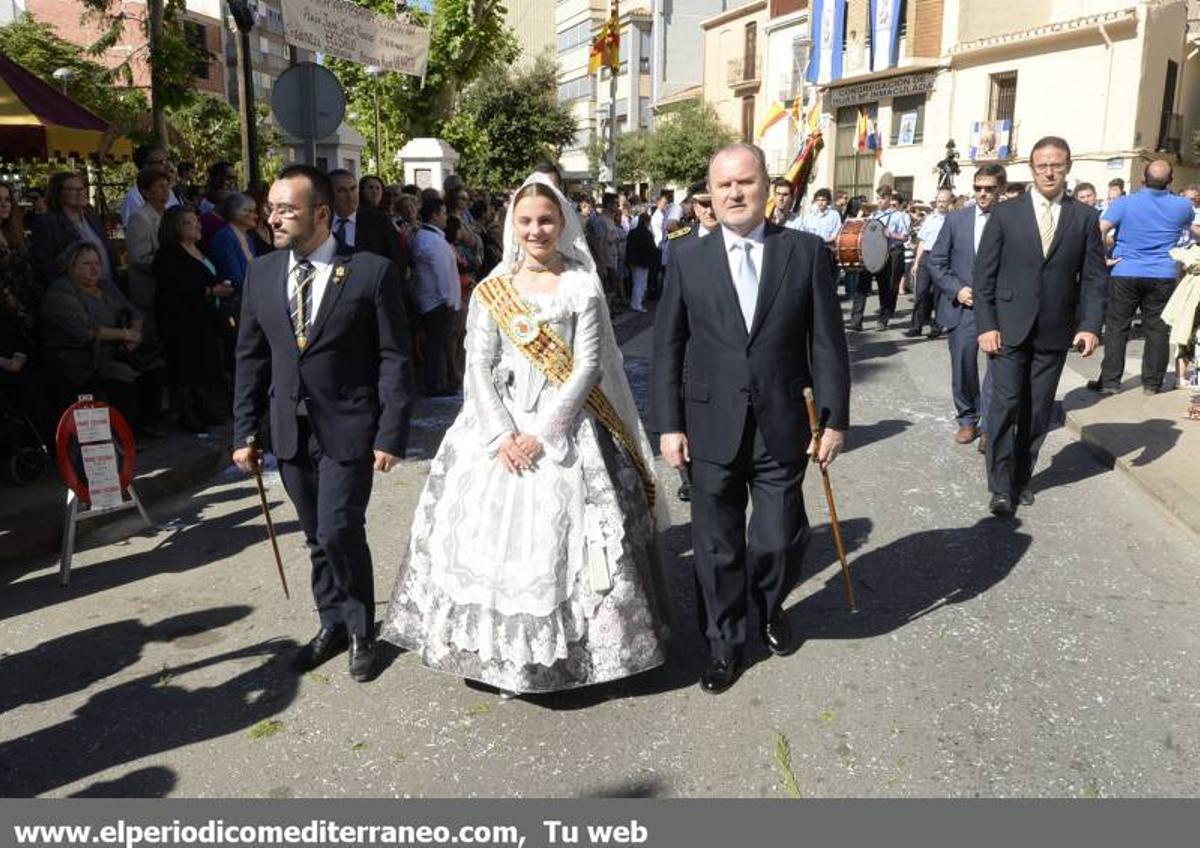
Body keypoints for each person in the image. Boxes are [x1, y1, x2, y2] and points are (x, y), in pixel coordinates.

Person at [380, 173, 668, 696]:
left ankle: (573, 657)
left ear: (562, 224)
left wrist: (543, 432)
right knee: (483, 544)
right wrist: (502, 434)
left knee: (568, 546)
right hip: (498, 427)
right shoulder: (495, 287)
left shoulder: (581, 284)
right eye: (526, 221)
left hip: (563, 425)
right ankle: (495, 656)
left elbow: (588, 366)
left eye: (546, 221)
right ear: (513, 225)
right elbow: (477, 364)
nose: (536, 230)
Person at [652, 142, 850, 694]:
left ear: (767, 187)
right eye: (724, 185)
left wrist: (834, 420)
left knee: (779, 538)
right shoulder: (687, 257)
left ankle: (766, 606)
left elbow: (828, 344)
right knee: (715, 545)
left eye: (745, 182)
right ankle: (723, 641)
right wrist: (668, 424)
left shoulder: (805, 253)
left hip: (783, 423)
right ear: (710, 195)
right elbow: (668, 347)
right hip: (709, 424)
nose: (735, 193)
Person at [232, 164, 414, 682]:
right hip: (289, 429)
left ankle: (360, 629)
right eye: (270, 208)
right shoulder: (262, 273)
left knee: (339, 528)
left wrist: (391, 431)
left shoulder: (370, 272)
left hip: (348, 426)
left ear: (321, 214)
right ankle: (331, 622)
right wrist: (245, 431)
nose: (273, 219)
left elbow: (394, 357)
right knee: (316, 534)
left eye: (286, 210)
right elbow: (250, 357)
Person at [974, 136, 1106, 516]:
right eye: (1042, 165)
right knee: (1005, 405)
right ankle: (1000, 487)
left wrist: (1090, 325)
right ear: (1032, 169)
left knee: (1037, 411)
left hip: (1054, 329)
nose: (1049, 172)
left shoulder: (1085, 217)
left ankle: (1021, 477)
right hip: (1007, 328)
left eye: (1056, 165)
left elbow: (1094, 278)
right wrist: (986, 324)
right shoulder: (1005, 213)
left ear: (1068, 168)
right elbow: (984, 275)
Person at [1086, 161, 1198, 396]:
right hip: (1163, 273)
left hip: (1125, 271)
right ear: (1171, 180)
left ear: (1143, 179)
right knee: (1158, 329)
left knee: (1117, 328)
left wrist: (1103, 257)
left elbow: (1099, 229)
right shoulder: (1183, 206)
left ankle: (1110, 382)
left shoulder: (1124, 203)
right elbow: (1193, 229)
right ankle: (1152, 384)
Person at [40, 242, 163, 435]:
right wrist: (125, 334)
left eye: (97, 263)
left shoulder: (106, 286)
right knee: (122, 375)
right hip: (82, 359)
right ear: (71, 266)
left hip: (118, 350)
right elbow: (86, 331)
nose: (94, 268)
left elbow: (135, 313)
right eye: (87, 264)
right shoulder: (61, 293)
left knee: (155, 365)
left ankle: (146, 424)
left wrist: (134, 334)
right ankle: (123, 433)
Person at [926, 165, 1006, 450]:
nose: (983, 194)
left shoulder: (1012, 220)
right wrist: (957, 290)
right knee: (963, 364)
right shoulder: (956, 220)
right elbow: (936, 261)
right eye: (978, 188)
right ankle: (968, 419)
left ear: (1000, 189)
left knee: (998, 369)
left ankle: (991, 427)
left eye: (989, 189)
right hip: (964, 307)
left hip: (1000, 309)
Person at [154, 208, 230, 432]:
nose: (197, 225)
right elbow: (174, 289)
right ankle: (187, 414)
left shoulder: (200, 249)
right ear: (176, 227)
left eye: (197, 221)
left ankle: (203, 407)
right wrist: (210, 291)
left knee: (204, 363)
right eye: (190, 222)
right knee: (185, 367)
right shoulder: (168, 255)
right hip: (181, 320)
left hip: (205, 318)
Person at [409, 196, 461, 396]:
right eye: (444, 213)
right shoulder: (431, 240)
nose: (446, 218)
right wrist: (448, 299)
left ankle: (439, 382)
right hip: (436, 301)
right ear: (435, 215)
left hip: (431, 299)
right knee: (436, 345)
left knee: (437, 344)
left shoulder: (427, 237)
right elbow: (442, 273)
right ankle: (436, 385)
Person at [31, 172, 116, 290]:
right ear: (58, 193)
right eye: (72, 189)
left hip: (105, 287)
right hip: (73, 292)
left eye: (81, 188)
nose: (80, 192)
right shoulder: (47, 223)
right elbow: (45, 266)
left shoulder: (91, 216)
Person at [848, 185, 910, 330]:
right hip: (870, 255)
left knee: (884, 289)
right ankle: (856, 322)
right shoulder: (873, 215)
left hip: (887, 255)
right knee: (861, 288)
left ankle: (882, 320)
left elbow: (905, 237)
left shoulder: (898, 216)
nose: (879, 201)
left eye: (882, 198)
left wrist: (891, 234)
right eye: (878, 198)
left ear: (889, 199)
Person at [327, 169, 408, 278]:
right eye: (342, 191)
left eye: (353, 189)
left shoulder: (378, 221)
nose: (350, 196)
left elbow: (397, 260)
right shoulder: (320, 222)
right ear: (329, 194)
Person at [124, 166, 173, 346]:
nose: (165, 191)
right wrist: (171, 264)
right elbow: (139, 258)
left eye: (167, 186)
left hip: (167, 291)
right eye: (160, 186)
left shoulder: (169, 215)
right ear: (146, 191)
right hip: (149, 291)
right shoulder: (139, 218)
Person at [905, 187, 954, 339]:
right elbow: (922, 241)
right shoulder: (929, 219)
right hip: (926, 256)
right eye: (939, 201)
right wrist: (916, 262)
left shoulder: (953, 219)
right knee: (920, 293)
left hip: (943, 259)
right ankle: (916, 326)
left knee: (939, 296)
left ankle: (937, 327)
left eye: (944, 201)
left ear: (950, 202)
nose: (941, 204)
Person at [207, 193, 261, 292]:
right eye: (251, 211)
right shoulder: (224, 238)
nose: (256, 216)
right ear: (237, 213)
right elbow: (235, 278)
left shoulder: (248, 238)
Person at [120, 145, 179, 228]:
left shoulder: (169, 191)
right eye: (162, 162)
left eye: (167, 160)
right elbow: (133, 231)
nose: (168, 166)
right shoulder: (133, 198)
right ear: (146, 166)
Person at [625, 212, 656, 312]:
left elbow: (628, 246)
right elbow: (651, 249)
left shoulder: (632, 232)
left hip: (633, 261)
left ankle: (636, 303)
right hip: (643, 262)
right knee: (640, 283)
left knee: (636, 282)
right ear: (647, 222)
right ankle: (636, 304)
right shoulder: (647, 234)